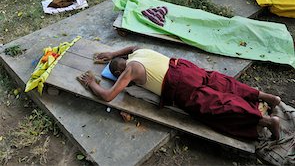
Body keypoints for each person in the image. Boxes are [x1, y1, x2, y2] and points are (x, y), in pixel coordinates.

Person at [78, 46, 281, 140]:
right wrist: (112, 53)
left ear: (119, 72)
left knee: (215, 105)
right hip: (184, 68)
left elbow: (108, 96)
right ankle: (267, 97)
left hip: (178, 84)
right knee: (224, 84)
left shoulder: (130, 71)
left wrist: (91, 84)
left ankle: (265, 121)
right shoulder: (138, 52)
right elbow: (130, 47)